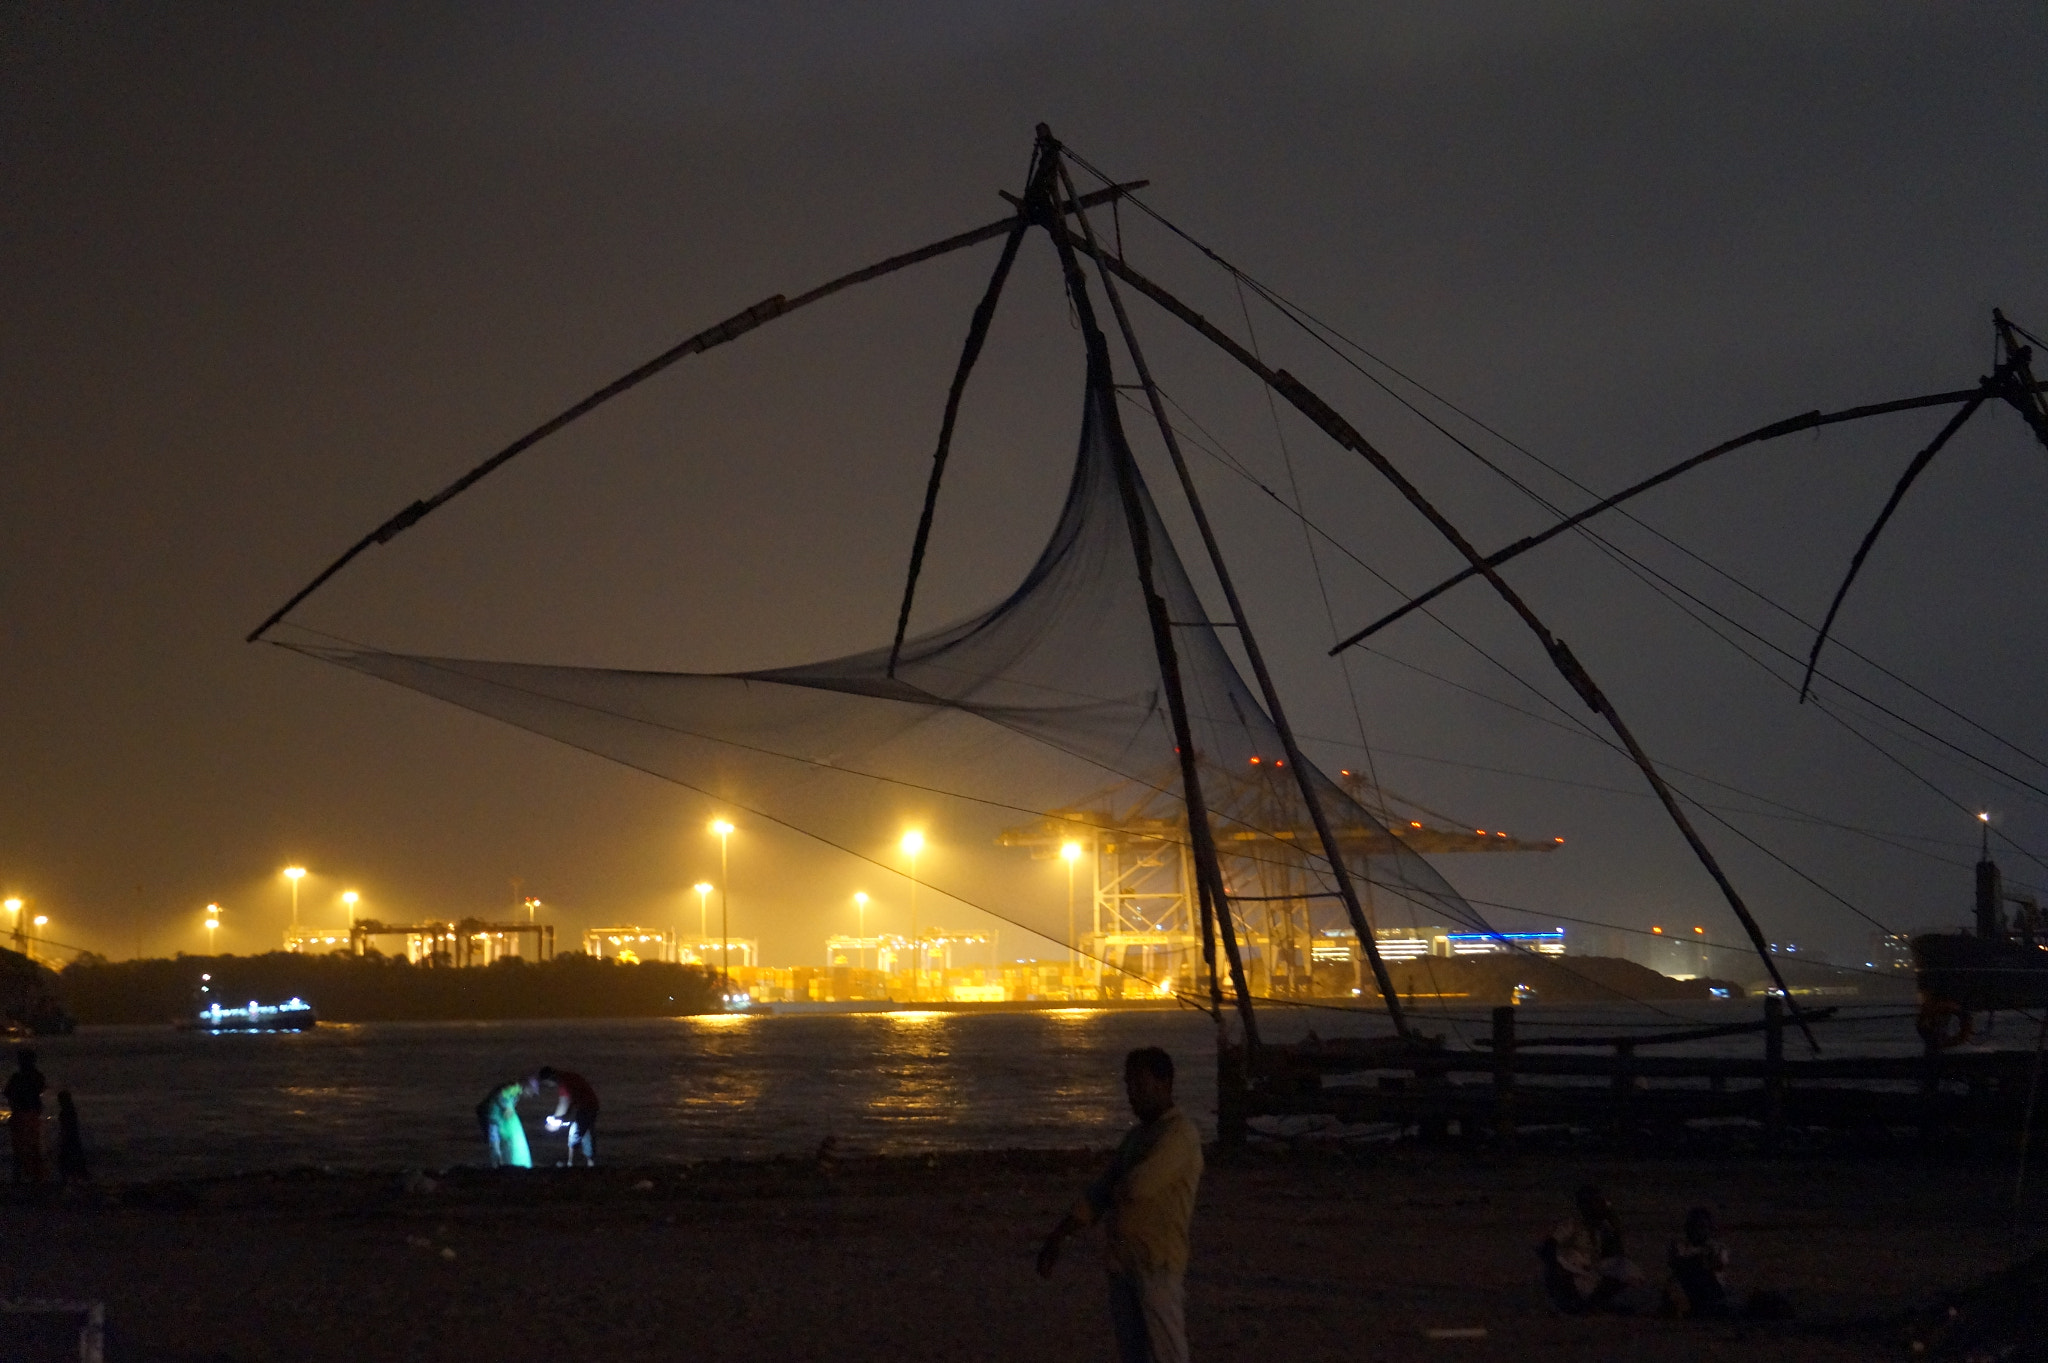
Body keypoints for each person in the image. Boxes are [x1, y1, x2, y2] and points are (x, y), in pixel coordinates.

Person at [1038, 1047, 1203, 1363]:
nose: (1132, 1094)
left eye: (1139, 1085)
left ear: (1165, 1082)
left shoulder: (1180, 1134)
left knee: (1166, 1354)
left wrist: (1105, 1193)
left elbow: (1136, 1186)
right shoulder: (1138, 1137)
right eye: (1129, 1085)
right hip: (1125, 1263)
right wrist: (1058, 1236)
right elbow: (1101, 1192)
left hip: (1157, 1264)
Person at [1538, 1184, 1644, 1314]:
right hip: (1572, 1277)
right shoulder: (1572, 1224)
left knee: (1627, 1269)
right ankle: (1584, 1304)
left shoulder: (1603, 1228)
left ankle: (1591, 1304)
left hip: (1590, 1276)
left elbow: (1617, 1256)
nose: (1602, 1207)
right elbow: (1548, 1247)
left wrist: (1614, 1226)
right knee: (1569, 1260)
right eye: (1597, 1203)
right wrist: (1559, 1269)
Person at [1666, 1206, 1731, 1317]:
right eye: (1694, 1226)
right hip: (1686, 1286)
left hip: (1710, 1290)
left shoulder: (1717, 1247)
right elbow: (1674, 1263)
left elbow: (1719, 1265)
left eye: (1701, 1226)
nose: (1697, 1230)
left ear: (1709, 1228)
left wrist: (1697, 1262)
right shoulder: (1679, 1245)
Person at [530, 1066, 598, 1166]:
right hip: (592, 1105)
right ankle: (591, 1163)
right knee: (587, 1135)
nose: (549, 1086)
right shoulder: (568, 1077)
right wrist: (558, 1118)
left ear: (550, 1078)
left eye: (547, 1083)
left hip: (585, 1108)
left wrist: (559, 1120)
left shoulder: (565, 1082)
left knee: (574, 1135)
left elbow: (569, 1101)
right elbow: (564, 1102)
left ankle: (571, 1164)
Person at [5, 1048, 47, 1184]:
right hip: (32, 1114)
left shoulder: (17, 1077)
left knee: (19, 1148)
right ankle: (35, 1177)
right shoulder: (37, 1076)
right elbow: (41, 1088)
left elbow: (7, 1092)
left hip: (20, 1114)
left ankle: (19, 1177)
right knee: (33, 1146)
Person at [475, 1078, 531, 1169]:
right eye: (530, 1092)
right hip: (493, 1118)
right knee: (494, 1143)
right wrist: (506, 1108)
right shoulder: (515, 1088)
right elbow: (500, 1096)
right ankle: (497, 1165)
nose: (530, 1095)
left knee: (496, 1142)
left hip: (495, 1118)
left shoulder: (516, 1093)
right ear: (527, 1087)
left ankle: (499, 1164)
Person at [54, 1089, 88, 1182]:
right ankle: (77, 1179)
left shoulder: (65, 1112)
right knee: (75, 1159)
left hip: (68, 1139)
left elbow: (65, 1127)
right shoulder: (71, 1111)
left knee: (66, 1160)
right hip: (73, 1138)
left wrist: (61, 1139)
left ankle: (68, 1179)